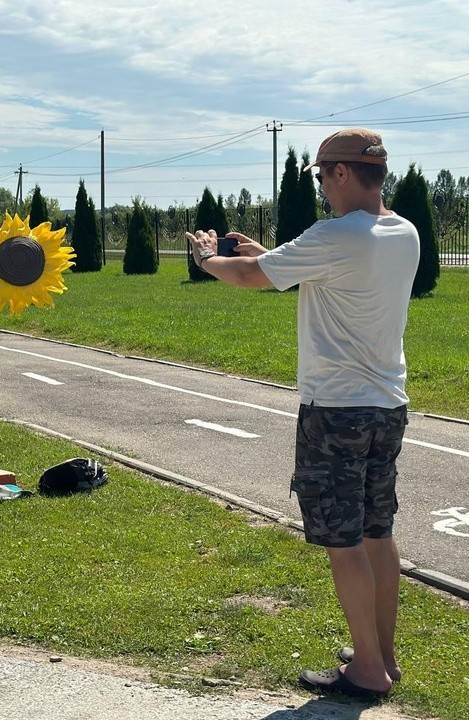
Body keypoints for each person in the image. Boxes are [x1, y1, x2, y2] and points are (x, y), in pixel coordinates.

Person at [186, 128, 419, 698]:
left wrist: (209, 258)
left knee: (343, 540)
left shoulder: (335, 235)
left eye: (319, 175)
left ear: (341, 172)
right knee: (376, 532)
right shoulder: (402, 232)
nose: (319, 186)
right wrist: (269, 255)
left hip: (336, 410)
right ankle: (382, 653)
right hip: (387, 405)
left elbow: (247, 279)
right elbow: (322, 273)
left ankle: (366, 670)